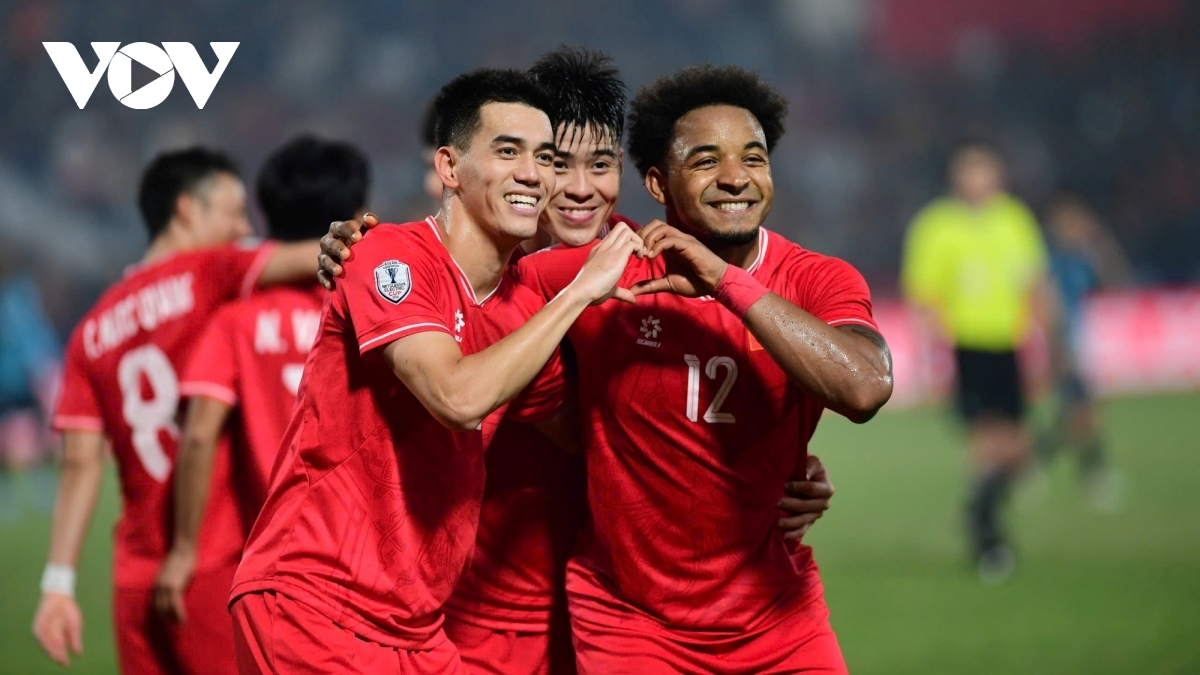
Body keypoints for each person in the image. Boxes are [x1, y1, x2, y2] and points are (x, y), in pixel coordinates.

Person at [320, 51, 841, 675]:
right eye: (556, 162)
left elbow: (693, 403)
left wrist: (782, 470)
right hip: (475, 610)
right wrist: (348, 247)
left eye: (600, 165)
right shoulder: (467, 277)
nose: (578, 188)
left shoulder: (643, 270)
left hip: (608, 612)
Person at [228, 68, 643, 675]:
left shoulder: (523, 307)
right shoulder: (387, 255)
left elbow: (593, 440)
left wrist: (775, 475)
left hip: (417, 629)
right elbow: (456, 398)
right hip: (315, 604)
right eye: (508, 151)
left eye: (544, 157)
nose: (534, 173)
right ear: (449, 166)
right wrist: (580, 294)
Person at [32, 147, 324, 672]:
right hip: (207, 563)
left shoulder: (91, 330)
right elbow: (315, 255)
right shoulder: (210, 271)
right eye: (233, 211)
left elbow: (79, 463)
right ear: (187, 209)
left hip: (133, 580)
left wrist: (58, 584)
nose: (243, 229)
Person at [152, 135, 372, 625]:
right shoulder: (373, 308)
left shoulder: (236, 321)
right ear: (357, 215)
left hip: (279, 558)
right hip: (368, 545)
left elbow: (199, 434)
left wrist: (184, 548)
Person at [900, 139, 1052, 583]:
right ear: (956, 177)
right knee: (986, 439)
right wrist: (932, 361)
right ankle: (986, 533)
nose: (978, 178)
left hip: (1010, 346)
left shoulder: (1015, 220)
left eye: (985, 169)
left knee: (1015, 444)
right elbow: (924, 298)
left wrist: (1044, 349)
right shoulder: (936, 226)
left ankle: (981, 509)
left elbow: (1034, 285)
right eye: (970, 170)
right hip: (965, 347)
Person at [1038, 191, 1130, 510]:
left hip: (1080, 341)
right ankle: (1092, 474)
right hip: (1060, 343)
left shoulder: (1082, 258)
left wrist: (1102, 245)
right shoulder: (1049, 261)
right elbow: (1046, 305)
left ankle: (1034, 462)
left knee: (1078, 414)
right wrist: (1057, 349)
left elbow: (1116, 281)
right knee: (1083, 413)